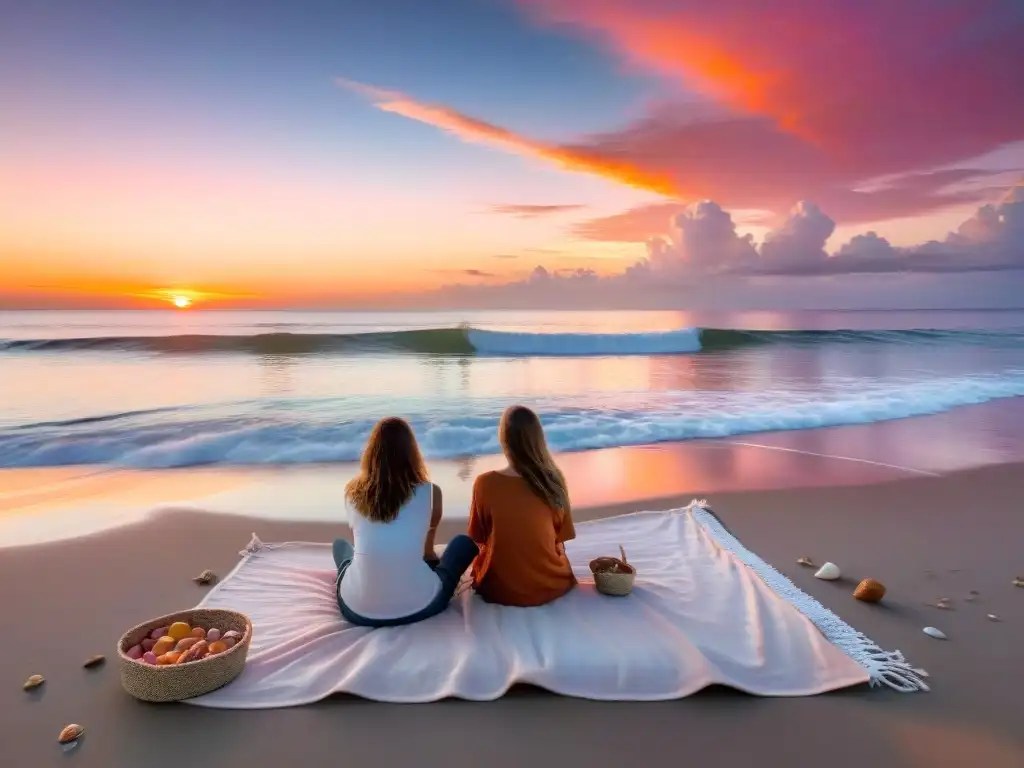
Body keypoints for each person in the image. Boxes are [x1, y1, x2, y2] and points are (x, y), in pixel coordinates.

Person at [332, 417, 478, 627]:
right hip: (421, 606)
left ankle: (352, 576)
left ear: (371, 454)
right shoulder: (430, 492)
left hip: (357, 610)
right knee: (462, 544)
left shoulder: (352, 493)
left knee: (340, 546)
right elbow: (427, 553)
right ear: (412, 453)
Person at [467, 405, 577, 606]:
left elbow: (479, 538)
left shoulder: (485, 484)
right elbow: (560, 539)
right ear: (538, 439)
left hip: (498, 589)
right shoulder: (553, 480)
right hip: (551, 585)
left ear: (503, 440)